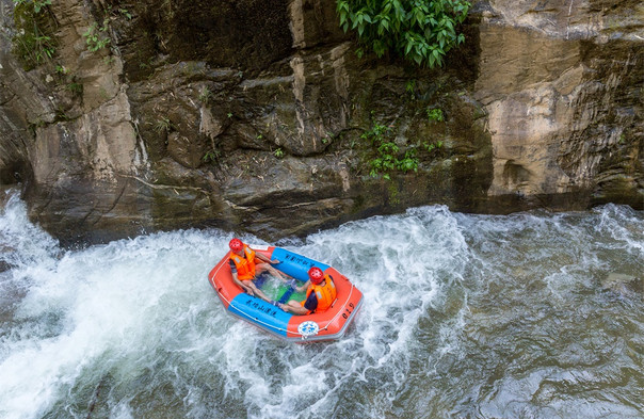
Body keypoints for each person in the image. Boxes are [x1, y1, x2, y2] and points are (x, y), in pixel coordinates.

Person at [228, 238, 286, 304]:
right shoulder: (233, 260)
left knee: (266, 265)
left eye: (242, 250)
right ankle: (271, 301)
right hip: (245, 278)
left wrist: (271, 261)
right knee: (251, 286)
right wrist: (246, 288)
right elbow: (235, 279)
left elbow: (257, 254)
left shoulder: (245, 247)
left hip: (253, 271)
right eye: (239, 252)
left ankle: (285, 281)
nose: (242, 252)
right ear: (235, 252)